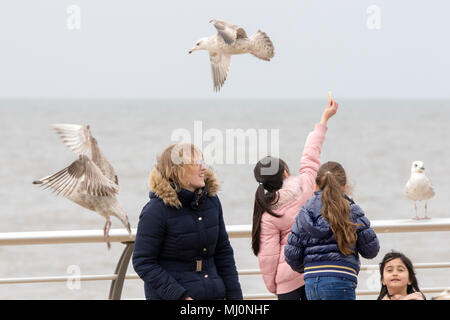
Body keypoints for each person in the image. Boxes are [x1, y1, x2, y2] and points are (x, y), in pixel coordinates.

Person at [252, 99, 339, 300]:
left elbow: (268, 256)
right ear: (285, 172)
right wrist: (324, 118)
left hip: (286, 283)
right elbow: (311, 154)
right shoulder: (306, 185)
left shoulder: (267, 211)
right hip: (313, 271)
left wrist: (274, 286)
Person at [132, 143, 243, 300]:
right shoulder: (156, 210)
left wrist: (236, 298)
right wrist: (181, 297)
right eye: (196, 163)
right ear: (176, 171)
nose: (204, 168)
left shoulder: (211, 201)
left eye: (203, 162)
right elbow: (143, 262)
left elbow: (223, 252)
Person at [285, 161, 380, 300]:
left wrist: (310, 267)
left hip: (312, 281)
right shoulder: (351, 210)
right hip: (341, 278)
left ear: (316, 185)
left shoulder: (304, 214)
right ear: (345, 187)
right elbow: (371, 250)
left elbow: (292, 255)